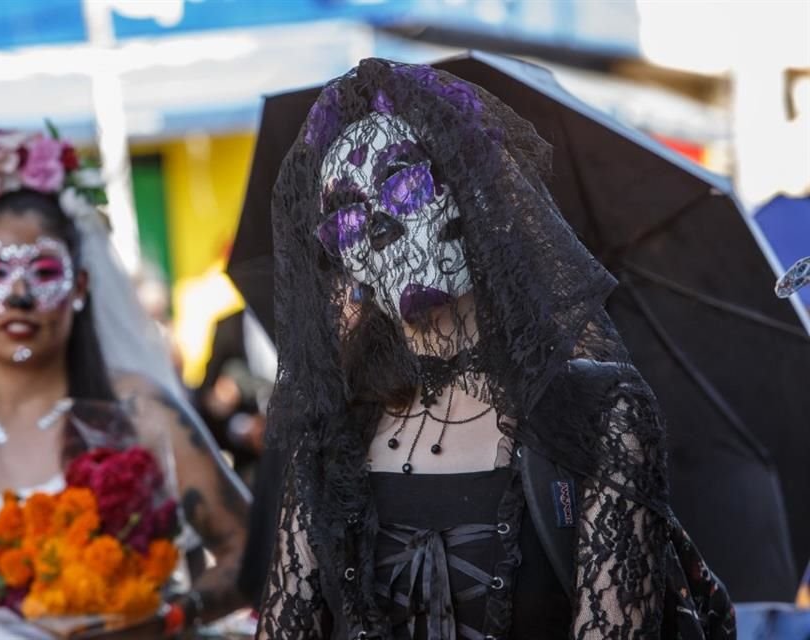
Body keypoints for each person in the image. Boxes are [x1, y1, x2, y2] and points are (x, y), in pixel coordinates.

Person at [257, 59, 727, 639]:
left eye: (404, 183)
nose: (377, 225)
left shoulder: (600, 418)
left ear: (473, 199)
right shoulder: (330, 441)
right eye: (349, 214)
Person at [0, 128, 249, 639]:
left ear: (80, 284)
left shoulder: (142, 413)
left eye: (43, 270)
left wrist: (173, 613)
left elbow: (254, 550)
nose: (20, 296)